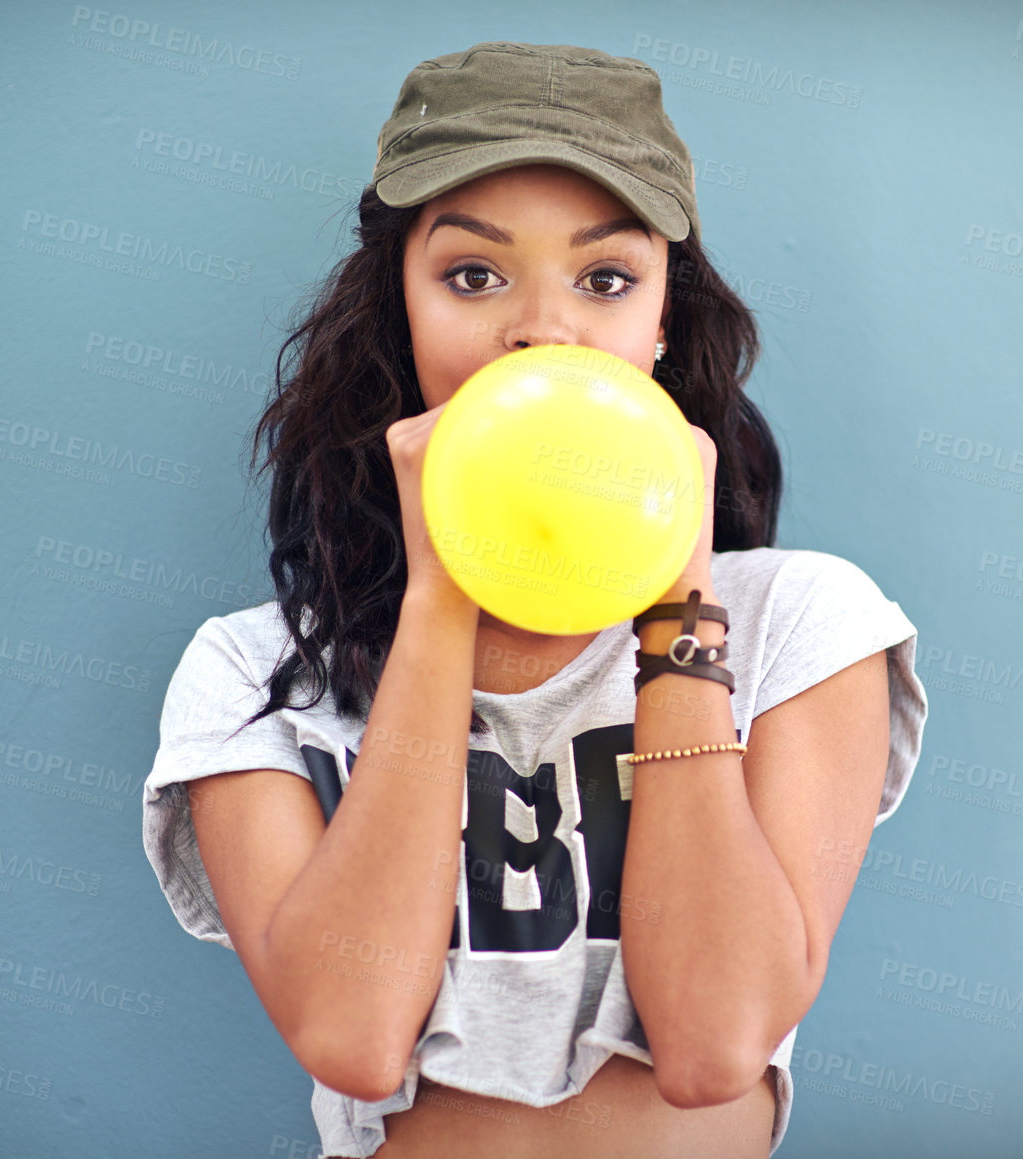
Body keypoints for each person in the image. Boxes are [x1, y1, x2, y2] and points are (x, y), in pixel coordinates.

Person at [141, 41, 929, 1159]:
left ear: (661, 323)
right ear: (399, 311)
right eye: (473, 276)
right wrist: (442, 594)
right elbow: (356, 1039)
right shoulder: (254, 672)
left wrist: (673, 603)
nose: (543, 331)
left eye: (606, 279)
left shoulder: (799, 623)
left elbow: (713, 1047)